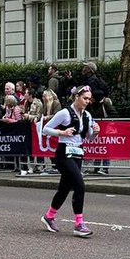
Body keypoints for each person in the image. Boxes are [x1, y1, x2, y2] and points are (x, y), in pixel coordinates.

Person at [41, 84, 99, 237]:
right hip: (63, 153)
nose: (87, 101)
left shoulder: (87, 116)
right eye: (84, 98)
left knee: (64, 188)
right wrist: (62, 132)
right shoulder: (65, 113)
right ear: (76, 97)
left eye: (89, 99)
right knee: (79, 184)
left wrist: (96, 133)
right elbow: (45, 129)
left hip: (78, 153)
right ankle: (79, 224)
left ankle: (49, 216)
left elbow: (89, 137)